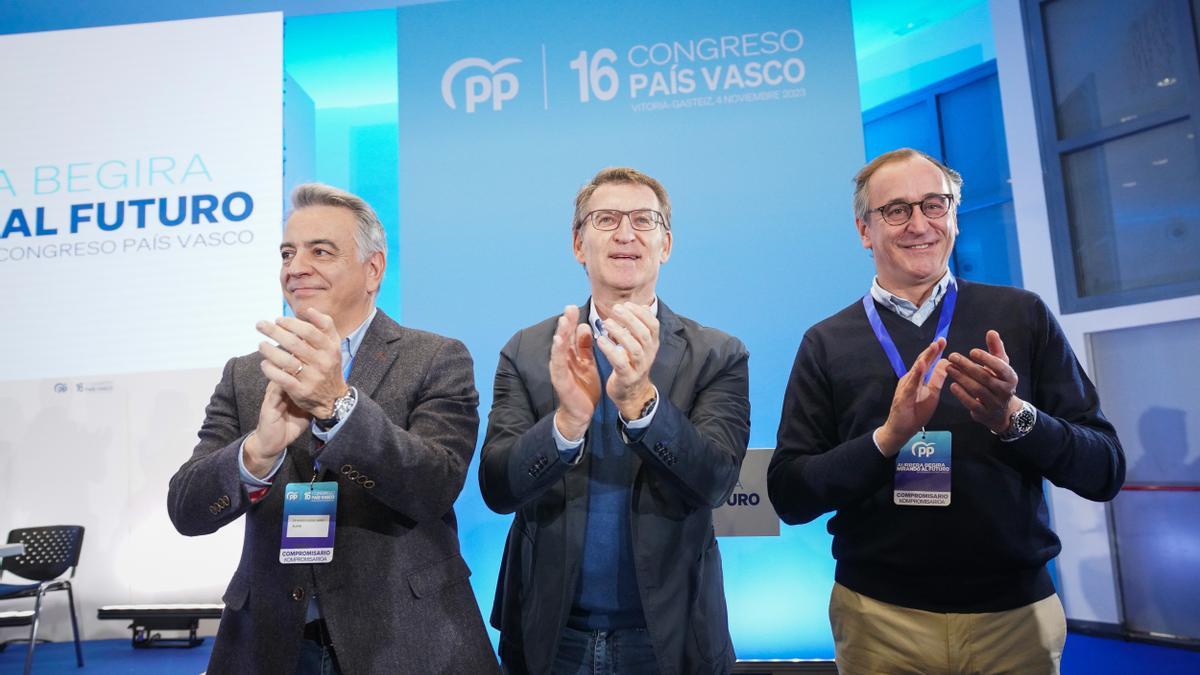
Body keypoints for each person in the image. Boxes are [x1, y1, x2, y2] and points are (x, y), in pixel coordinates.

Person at [768, 148, 1125, 675]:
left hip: (1014, 618)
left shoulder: (1021, 315)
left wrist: (1014, 418)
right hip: (878, 620)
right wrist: (887, 439)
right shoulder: (826, 342)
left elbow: (1104, 471)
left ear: (954, 216)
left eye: (934, 204)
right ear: (865, 230)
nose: (919, 224)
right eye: (896, 210)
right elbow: (790, 495)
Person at [167, 183, 497, 675]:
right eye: (288, 253)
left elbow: (433, 487)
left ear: (373, 269)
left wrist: (336, 406)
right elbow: (187, 510)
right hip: (273, 643)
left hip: (404, 638)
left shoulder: (435, 357)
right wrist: (256, 454)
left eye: (320, 251)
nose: (296, 267)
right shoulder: (247, 374)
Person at [480, 167, 750, 674]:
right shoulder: (529, 350)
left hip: (670, 637)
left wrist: (642, 403)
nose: (626, 233)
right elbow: (497, 488)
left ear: (666, 244)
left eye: (644, 220)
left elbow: (715, 482)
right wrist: (566, 424)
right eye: (606, 219)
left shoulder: (718, 354)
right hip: (550, 636)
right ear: (578, 244)